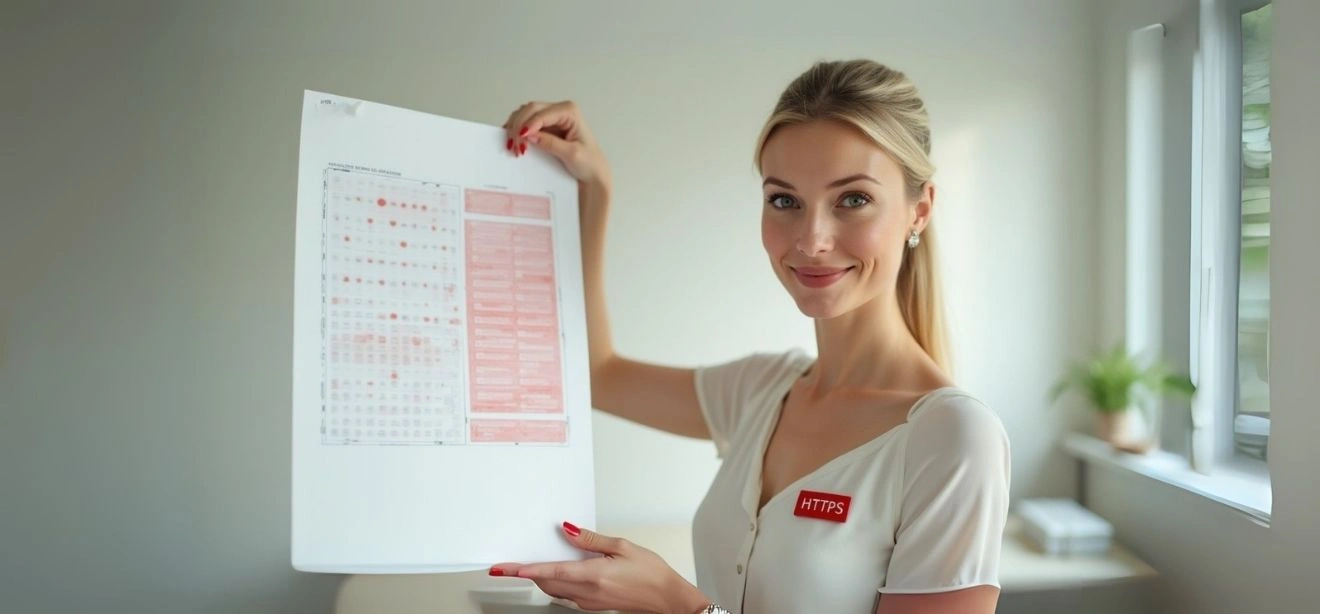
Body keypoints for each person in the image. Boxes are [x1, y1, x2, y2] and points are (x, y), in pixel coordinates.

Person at [488, 59, 1011, 614]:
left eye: (852, 199)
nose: (811, 239)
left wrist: (682, 607)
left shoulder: (953, 440)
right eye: (784, 200)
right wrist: (596, 193)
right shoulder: (763, 389)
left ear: (919, 209)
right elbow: (595, 375)